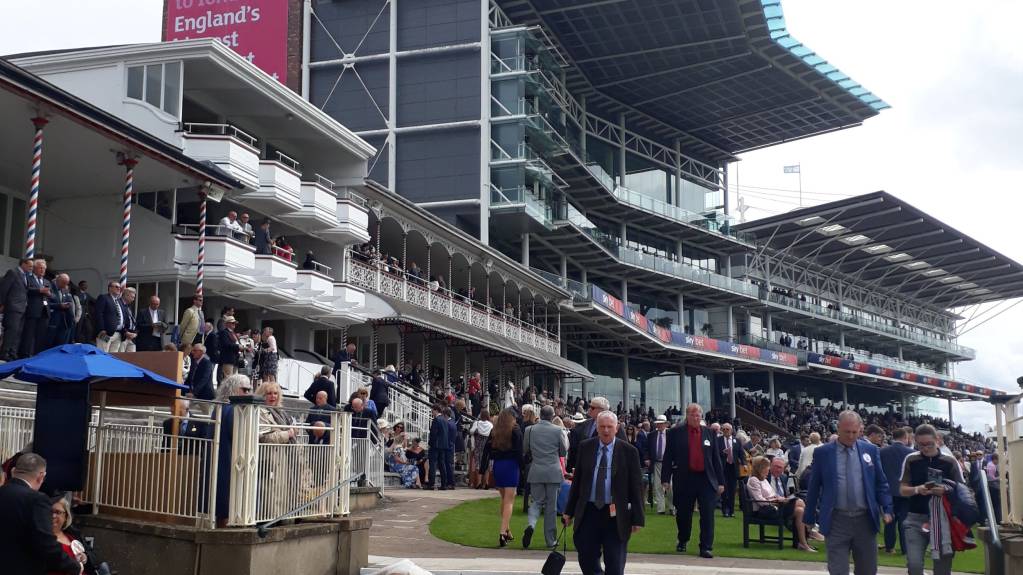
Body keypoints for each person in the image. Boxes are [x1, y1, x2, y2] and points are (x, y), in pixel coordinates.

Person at [803, 410, 893, 575]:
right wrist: (809, 516)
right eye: (847, 432)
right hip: (837, 519)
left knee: (868, 570)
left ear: (860, 430)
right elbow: (814, 486)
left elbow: (881, 483)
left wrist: (887, 508)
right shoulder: (823, 453)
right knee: (838, 570)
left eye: (854, 432)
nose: (851, 436)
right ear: (838, 429)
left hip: (865, 520)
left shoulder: (870, 451)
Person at [563, 411, 644, 575]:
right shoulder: (586, 447)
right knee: (586, 557)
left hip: (616, 515)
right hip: (589, 512)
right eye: (602, 427)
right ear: (597, 428)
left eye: (609, 427)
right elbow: (577, 482)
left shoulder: (629, 451)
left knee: (615, 562)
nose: (606, 431)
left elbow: (636, 487)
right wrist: (569, 511)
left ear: (616, 428)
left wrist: (638, 518)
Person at [0, 453, 82, 575]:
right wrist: (74, 566)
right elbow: (46, 544)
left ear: (13, 471)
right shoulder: (37, 499)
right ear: (41, 476)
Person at [899, 424, 964, 575]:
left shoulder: (950, 461)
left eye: (929, 444)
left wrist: (946, 491)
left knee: (942, 569)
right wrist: (917, 489)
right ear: (915, 441)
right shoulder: (911, 459)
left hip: (943, 520)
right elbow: (902, 489)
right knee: (914, 566)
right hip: (915, 518)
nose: (925, 448)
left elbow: (964, 491)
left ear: (937, 440)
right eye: (921, 444)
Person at [661, 403, 724, 558]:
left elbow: (716, 459)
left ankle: (706, 547)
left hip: (706, 479)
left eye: (698, 415)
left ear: (701, 416)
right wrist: (665, 479)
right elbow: (668, 456)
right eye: (692, 415)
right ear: (687, 416)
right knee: (683, 514)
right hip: (685, 478)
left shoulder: (710, 433)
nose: (695, 418)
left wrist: (721, 482)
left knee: (708, 514)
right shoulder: (675, 433)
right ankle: (683, 539)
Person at [746, 456, 816, 552]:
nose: (768, 469)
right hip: (766, 510)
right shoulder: (754, 480)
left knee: (800, 510)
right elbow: (761, 501)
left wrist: (780, 499)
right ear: (760, 468)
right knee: (799, 502)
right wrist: (776, 501)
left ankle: (802, 543)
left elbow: (772, 495)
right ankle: (810, 529)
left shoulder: (764, 479)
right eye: (767, 466)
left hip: (775, 506)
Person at [522, 405, 568, 549]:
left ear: (540, 415)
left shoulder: (529, 430)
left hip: (536, 470)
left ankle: (531, 525)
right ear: (552, 415)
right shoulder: (558, 430)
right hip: (553, 472)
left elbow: (525, 449)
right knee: (551, 507)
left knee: (536, 502)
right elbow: (563, 452)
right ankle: (550, 540)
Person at [879, 425, 914, 555]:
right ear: (905, 438)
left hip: (888, 491)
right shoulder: (911, 453)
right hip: (905, 492)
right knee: (904, 522)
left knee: (889, 520)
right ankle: (905, 549)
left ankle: (890, 547)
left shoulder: (882, 452)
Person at [490, 407, 522, 546]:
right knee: (509, 499)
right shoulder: (515, 430)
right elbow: (519, 452)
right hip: (511, 465)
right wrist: (523, 467)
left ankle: (507, 530)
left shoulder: (495, 431)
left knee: (504, 498)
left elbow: (489, 450)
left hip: (498, 465)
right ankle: (503, 532)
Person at [0, 258, 32, 360]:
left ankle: (12, 353)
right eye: (30, 266)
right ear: (23, 264)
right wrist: (1, 304)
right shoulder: (13, 273)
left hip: (22, 308)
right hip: (12, 307)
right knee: (11, 331)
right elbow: (4, 289)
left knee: (18, 332)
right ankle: (4, 353)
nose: (31, 268)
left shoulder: (26, 276)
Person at [21, 259, 52, 357]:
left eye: (44, 268)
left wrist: (49, 294)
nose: (42, 270)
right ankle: (25, 355)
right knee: (29, 335)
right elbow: (26, 290)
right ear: (34, 268)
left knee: (41, 336)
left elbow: (53, 296)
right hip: (32, 310)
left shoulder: (47, 281)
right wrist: (39, 290)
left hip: (44, 312)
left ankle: (37, 355)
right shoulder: (28, 278)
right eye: (40, 268)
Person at [716, 422, 745, 518]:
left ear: (731, 430)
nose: (725, 431)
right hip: (723, 467)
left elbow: (741, 453)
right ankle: (725, 510)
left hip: (733, 467)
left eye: (727, 429)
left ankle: (731, 510)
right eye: (723, 429)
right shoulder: (718, 440)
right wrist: (723, 453)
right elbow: (715, 453)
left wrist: (744, 464)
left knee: (732, 490)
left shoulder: (737, 441)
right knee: (724, 490)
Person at [645, 415, 673, 515]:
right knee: (657, 486)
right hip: (656, 463)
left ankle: (672, 507)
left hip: (669, 464)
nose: (659, 425)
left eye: (661, 423)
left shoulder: (671, 434)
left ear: (666, 424)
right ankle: (660, 509)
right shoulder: (651, 435)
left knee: (670, 487)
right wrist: (647, 458)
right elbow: (647, 448)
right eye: (658, 423)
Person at [45, 273, 76, 349]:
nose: (65, 286)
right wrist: (59, 306)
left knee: (60, 346)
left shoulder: (65, 290)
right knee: (48, 345)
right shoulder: (49, 287)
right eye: (64, 283)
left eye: (66, 284)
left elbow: (69, 302)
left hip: (64, 323)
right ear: (59, 281)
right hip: (51, 321)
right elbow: (45, 304)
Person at [427, 404, 451, 490]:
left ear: (436, 410)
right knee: (442, 464)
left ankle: (431, 484)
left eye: (432, 411)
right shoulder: (445, 420)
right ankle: (444, 484)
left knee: (433, 464)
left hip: (435, 445)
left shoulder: (436, 420)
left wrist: (430, 443)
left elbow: (433, 434)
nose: (432, 413)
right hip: (443, 445)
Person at [469, 409, 493, 489]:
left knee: (478, 464)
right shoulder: (490, 425)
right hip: (487, 447)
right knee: (486, 465)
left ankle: (478, 483)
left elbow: (471, 431)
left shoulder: (477, 423)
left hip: (478, 447)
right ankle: (485, 483)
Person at [216, 316, 241, 380]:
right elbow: (226, 344)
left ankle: (231, 390)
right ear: (227, 324)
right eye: (232, 323)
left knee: (233, 379)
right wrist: (238, 346)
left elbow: (236, 343)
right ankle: (227, 390)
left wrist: (241, 346)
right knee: (228, 378)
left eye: (234, 323)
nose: (234, 324)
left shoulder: (232, 332)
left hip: (234, 358)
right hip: (228, 358)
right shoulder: (224, 332)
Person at [118, 287, 138, 352]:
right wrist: (126, 332)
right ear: (126, 295)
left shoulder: (129, 306)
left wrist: (135, 333)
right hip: (123, 336)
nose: (133, 299)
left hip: (132, 338)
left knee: (132, 359)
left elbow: (133, 321)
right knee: (121, 358)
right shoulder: (118, 304)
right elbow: (119, 320)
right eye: (132, 297)